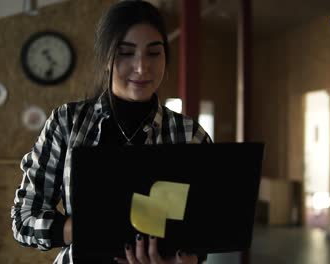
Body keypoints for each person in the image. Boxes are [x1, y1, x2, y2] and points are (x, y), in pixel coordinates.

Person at [11, 1, 212, 263]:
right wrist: (85, 228)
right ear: (106, 58)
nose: (142, 67)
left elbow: (207, 227)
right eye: (125, 53)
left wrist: (189, 259)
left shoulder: (190, 135)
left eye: (154, 53)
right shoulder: (67, 123)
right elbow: (24, 218)